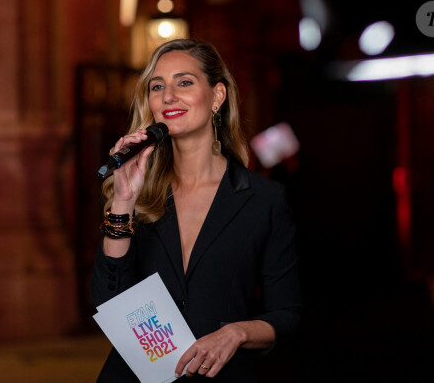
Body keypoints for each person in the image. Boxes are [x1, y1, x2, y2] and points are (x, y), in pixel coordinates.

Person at [90, 38, 301, 382]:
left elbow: (287, 314)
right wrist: (124, 202)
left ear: (217, 96)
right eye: (157, 87)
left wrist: (238, 332)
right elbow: (109, 301)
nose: (168, 96)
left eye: (184, 82)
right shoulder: (137, 195)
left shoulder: (264, 199)